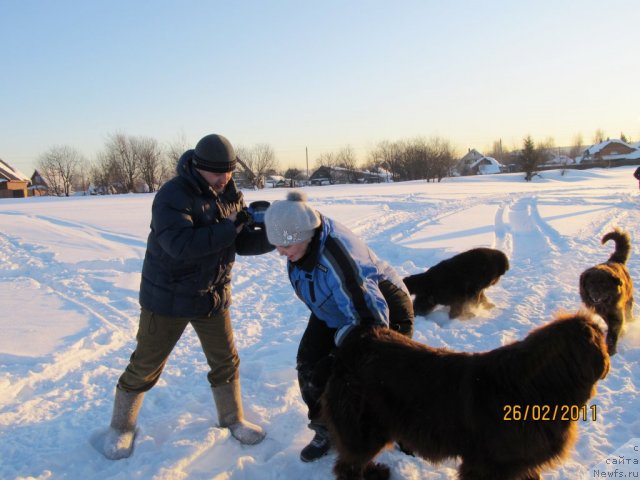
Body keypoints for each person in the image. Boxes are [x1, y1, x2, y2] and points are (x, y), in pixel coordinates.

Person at [102, 134, 275, 460]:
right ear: (198, 167)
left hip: (212, 295)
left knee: (226, 361)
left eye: (229, 172)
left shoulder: (230, 193)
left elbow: (237, 242)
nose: (225, 179)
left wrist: (274, 236)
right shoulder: (172, 195)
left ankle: (233, 419)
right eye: (217, 173)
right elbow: (180, 247)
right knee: (145, 365)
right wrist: (230, 227)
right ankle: (121, 427)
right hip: (168, 297)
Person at [263, 191, 414, 462]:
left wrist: (335, 357)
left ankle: (406, 429)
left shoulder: (339, 260)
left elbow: (372, 325)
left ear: (304, 236)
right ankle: (326, 428)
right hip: (336, 307)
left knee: (384, 374)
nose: (280, 252)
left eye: (284, 245)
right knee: (309, 364)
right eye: (277, 245)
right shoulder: (301, 237)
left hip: (382, 310)